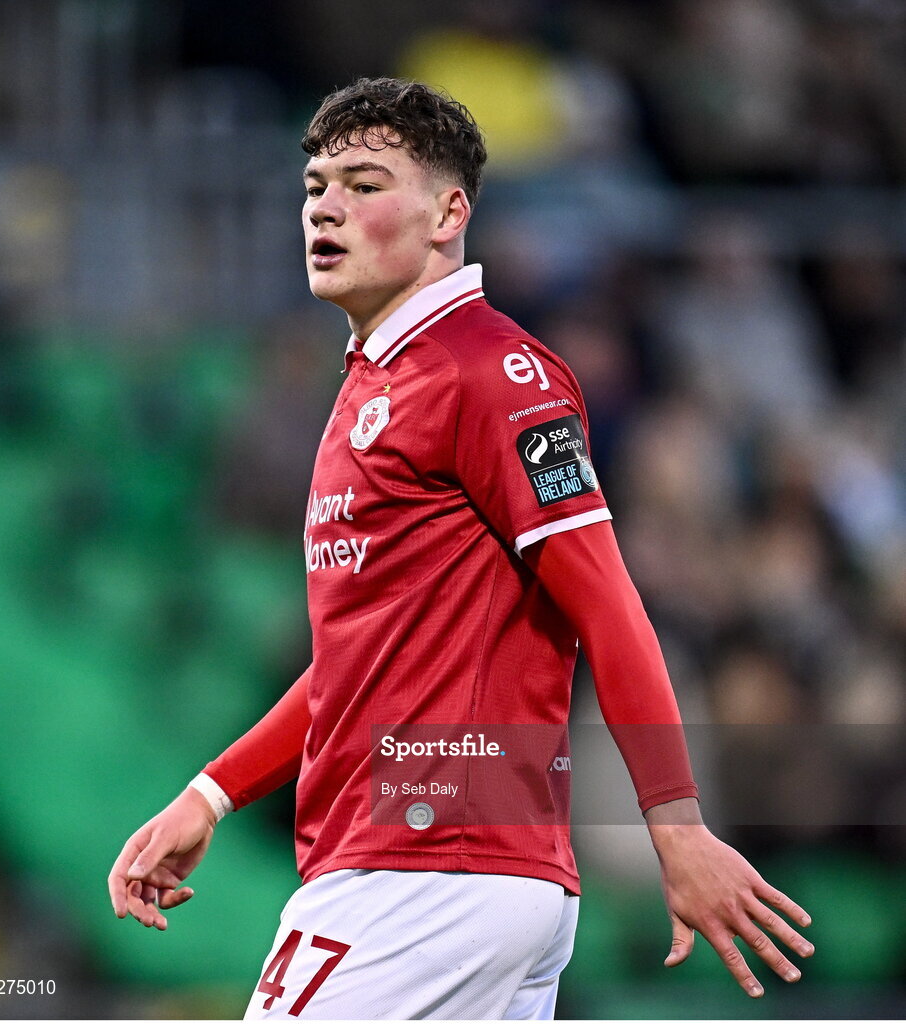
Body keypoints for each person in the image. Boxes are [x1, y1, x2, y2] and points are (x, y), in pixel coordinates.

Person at [108, 77, 814, 1020]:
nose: (326, 206)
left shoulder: (491, 372)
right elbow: (355, 664)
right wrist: (211, 794)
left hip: (427, 869)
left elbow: (605, 600)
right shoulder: (375, 385)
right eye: (316, 185)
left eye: (365, 184)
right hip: (449, 870)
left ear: (450, 213)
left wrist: (676, 828)